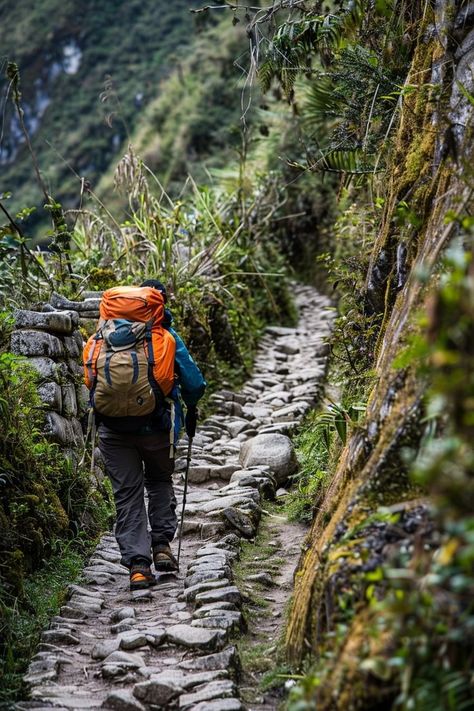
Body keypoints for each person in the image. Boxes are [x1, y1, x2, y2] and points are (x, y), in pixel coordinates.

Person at [96, 280, 206, 591]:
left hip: (113, 431)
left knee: (127, 494)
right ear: (159, 305)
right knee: (158, 480)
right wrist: (190, 405)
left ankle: (139, 568)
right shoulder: (164, 336)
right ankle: (161, 547)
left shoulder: (103, 337)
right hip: (157, 428)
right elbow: (195, 385)